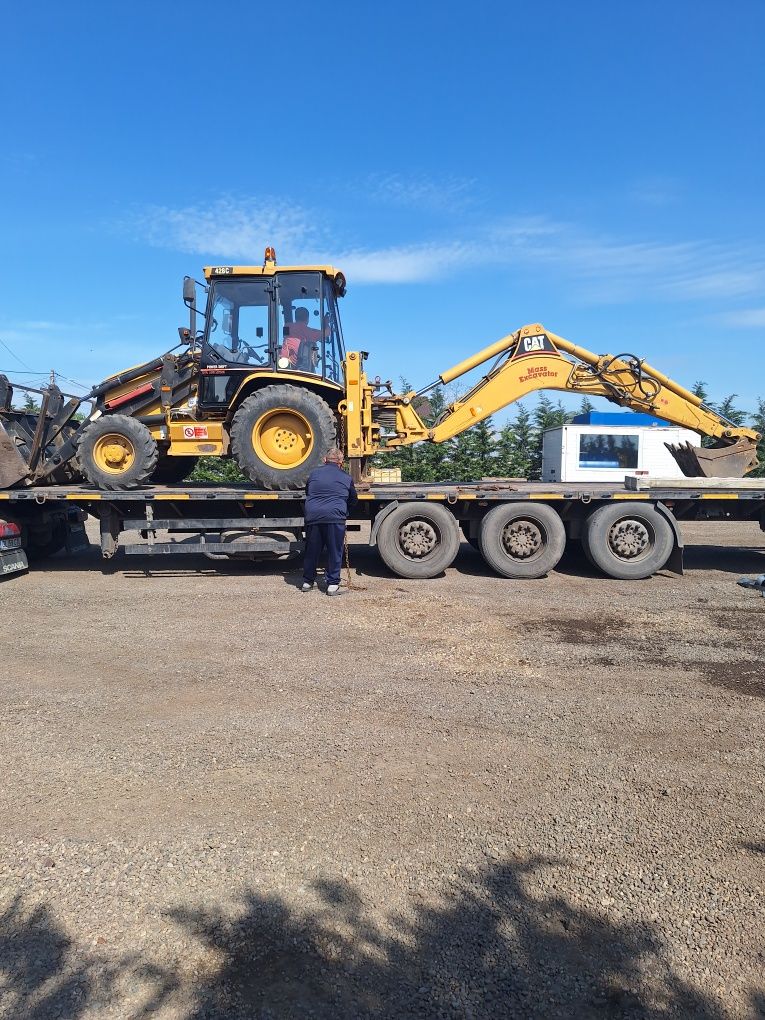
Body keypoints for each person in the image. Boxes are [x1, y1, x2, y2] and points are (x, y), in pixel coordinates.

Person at [301, 447, 358, 596]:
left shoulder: (313, 474)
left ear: (325, 460)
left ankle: (307, 582)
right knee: (335, 551)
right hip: (334, 517)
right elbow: (353, 499)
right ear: (341, 462)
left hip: (313, 516)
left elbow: (308, 491)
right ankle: (332, 585)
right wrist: (344, 510)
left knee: (312, 550)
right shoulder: (346, 477)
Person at [279, 306, 324, 371]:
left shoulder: (287, 326)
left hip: (284, 366)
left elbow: (285, 337)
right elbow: (327, 333)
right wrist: (326, 322)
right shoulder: (310, 332)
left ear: (295, 318)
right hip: (302, 368)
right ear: (307, 319)